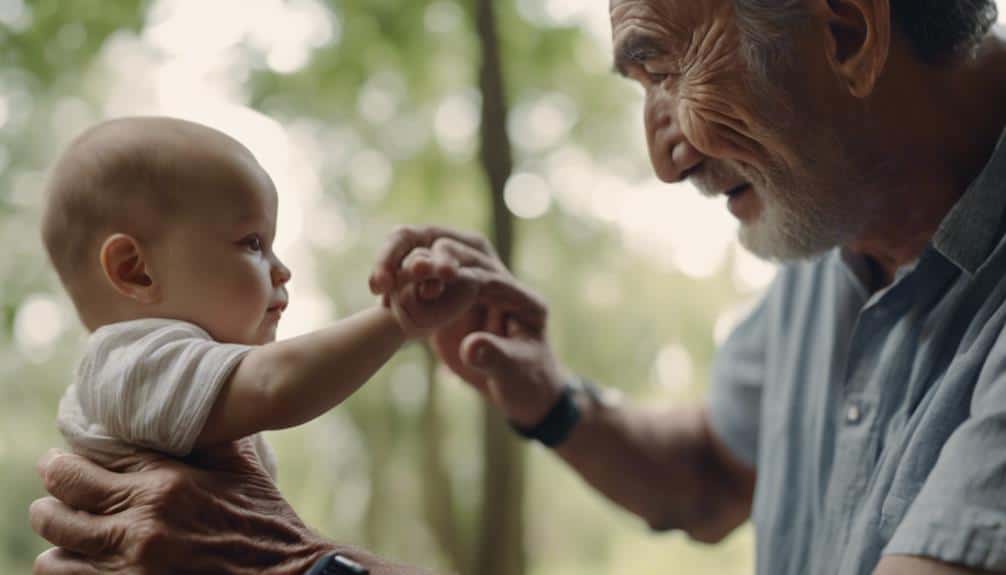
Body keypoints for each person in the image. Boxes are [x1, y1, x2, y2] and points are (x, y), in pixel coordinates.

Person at [28, 0, 1006, 573]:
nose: (665, 159)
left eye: (664, 68)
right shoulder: (829, 227)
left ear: (843, 28)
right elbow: (710, 474)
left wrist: (311, 570)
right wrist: (550, 399)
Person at [40, 116, 478, 504]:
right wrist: (398, 320)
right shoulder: (131, 364)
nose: (282, 270)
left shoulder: (173, 380)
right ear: (136, 271)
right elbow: (276, 383)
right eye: (252, 243)